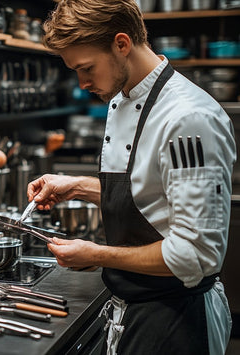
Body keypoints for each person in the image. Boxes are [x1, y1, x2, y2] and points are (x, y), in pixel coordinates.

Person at [28, 1, 236, 354]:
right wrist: (76, 186)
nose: (82, 82)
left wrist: (97, 253)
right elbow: (152, 191)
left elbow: (195, 255)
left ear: (121, 44)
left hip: (178, 318)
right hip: (132, 309)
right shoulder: (121, 100)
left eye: (87, 67)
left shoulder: (188, 119)